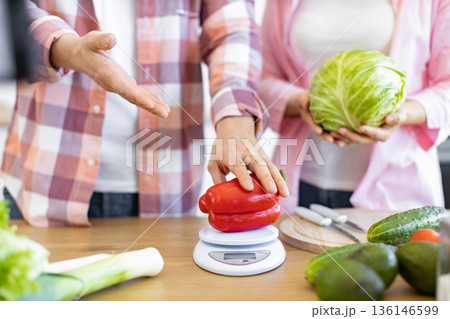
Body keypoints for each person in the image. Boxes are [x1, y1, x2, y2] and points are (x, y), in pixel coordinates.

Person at [1, 0, 288, 227]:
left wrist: (235, 119)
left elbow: (233, 28)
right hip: (42, 181)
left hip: (170, 187)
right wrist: (68, 49)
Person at [259, 0, 450, 212]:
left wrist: (403, 114)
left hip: (396, 189)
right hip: (301, 181)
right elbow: (262, 77)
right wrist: (300, 101)